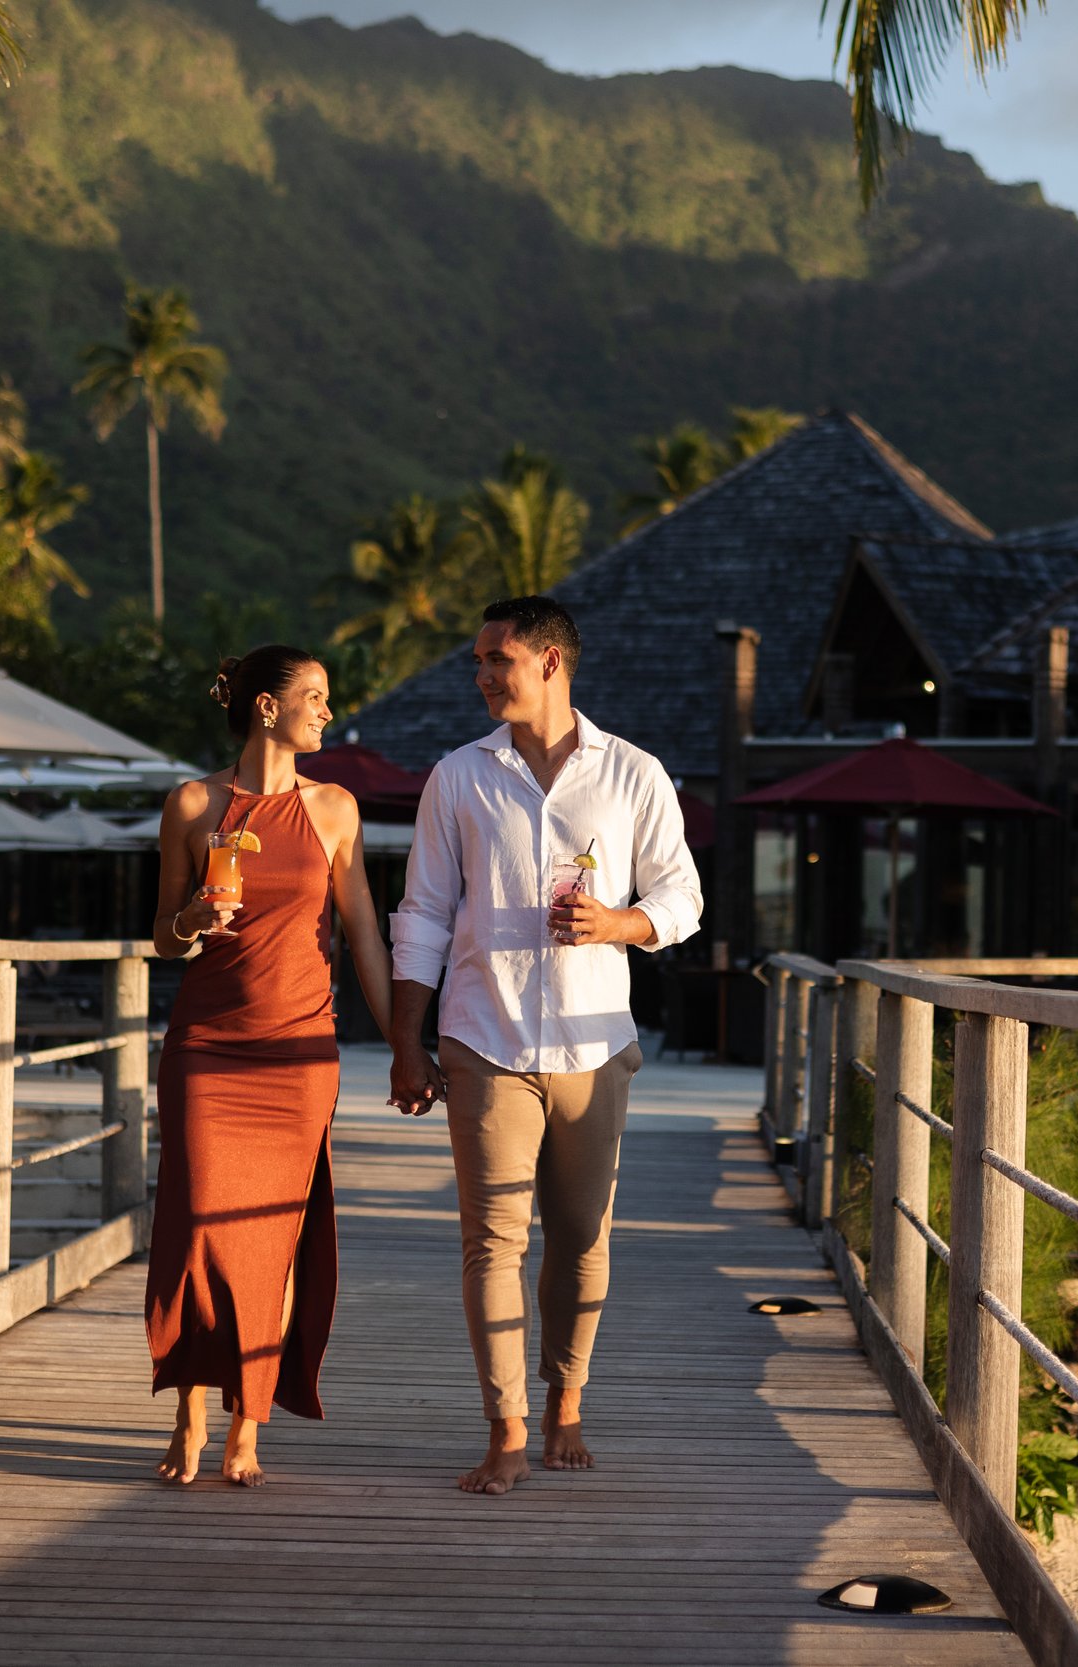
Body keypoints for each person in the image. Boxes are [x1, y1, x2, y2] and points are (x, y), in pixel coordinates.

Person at [389, 595, 702, 1495]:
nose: (483, 676)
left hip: (595, 1042)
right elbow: (423, 916)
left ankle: (566, 1399)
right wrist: (408, 1042)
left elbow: (683, 898)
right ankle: (506, 1427)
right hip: (483, 1039)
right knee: (492, 1242)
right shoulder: (457, 776)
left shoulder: (635, 774)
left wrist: (620, 922)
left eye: (499, 661)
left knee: (580, 1237)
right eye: (479, 663)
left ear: (552, 663)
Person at [145, 646, 395, 1486]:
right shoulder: (191, 802)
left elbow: (364, 934)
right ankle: (187, 1412)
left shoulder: (334, 809)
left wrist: (405, 1043)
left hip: (299, 1053)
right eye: (314, 697)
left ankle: (247, 1424)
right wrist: (194, 915)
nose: (328, 710)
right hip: (208, 1047)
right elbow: (162, 939)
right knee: (199, 1233)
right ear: (264, 706)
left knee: (273, 1245)